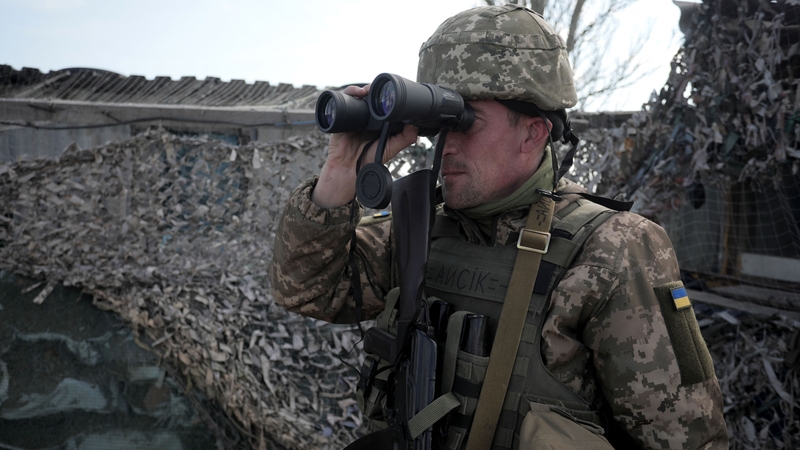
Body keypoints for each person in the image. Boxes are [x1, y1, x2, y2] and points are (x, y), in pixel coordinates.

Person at [271, 4, 728, 449]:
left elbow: (687, 439)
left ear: (533, 133)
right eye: (438, 124)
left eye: (464, 121)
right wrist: (339, 173)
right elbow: (306, 290)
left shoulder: (613, 248)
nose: (445, 145)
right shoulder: (422, 230)